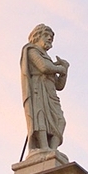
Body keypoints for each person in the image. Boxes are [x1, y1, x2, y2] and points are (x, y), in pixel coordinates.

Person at [20, 24, 69, 155]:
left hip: (50, 92)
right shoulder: (31, 50)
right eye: (46, 35)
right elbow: (44, 67)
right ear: (37, 36)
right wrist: (59, 68)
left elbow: (59, 85)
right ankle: (43, 147)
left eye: (51, 37)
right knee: (40, 117)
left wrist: (65, 70)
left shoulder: (48, 59)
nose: (49, 38)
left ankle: (52, 149)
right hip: (38, 89)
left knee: (60, 121)